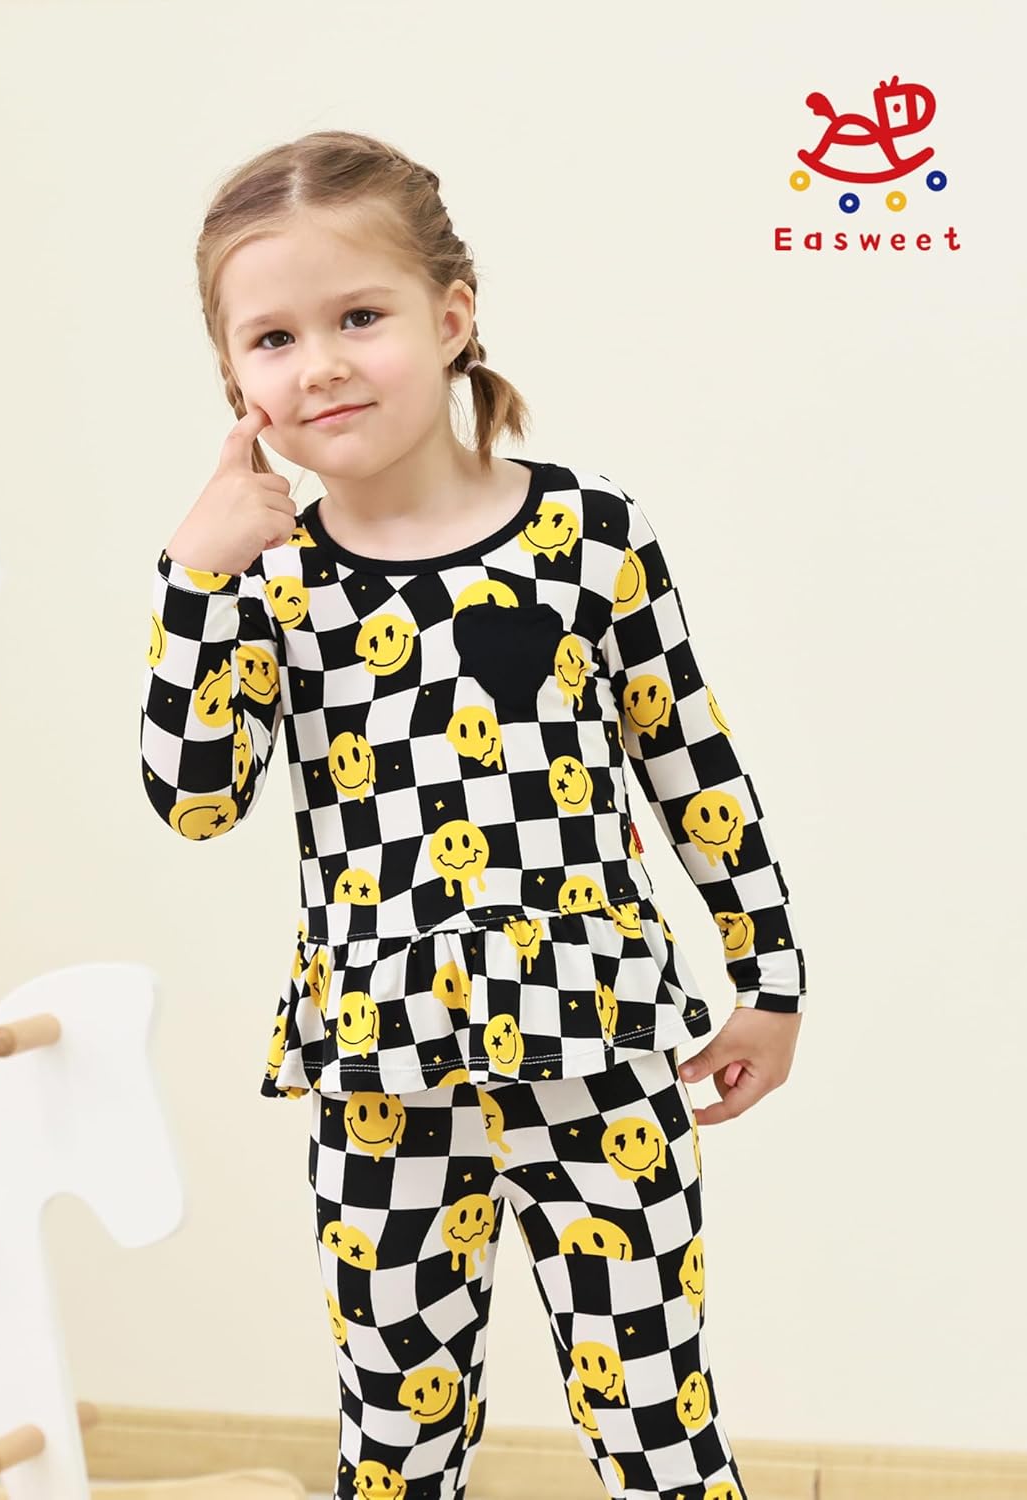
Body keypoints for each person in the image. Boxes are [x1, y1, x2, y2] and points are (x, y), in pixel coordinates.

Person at [139, 129, 806, 1500]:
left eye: (359, 317)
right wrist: (192, 581)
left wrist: (769, 977)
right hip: (378, 1070)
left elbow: (691, 764)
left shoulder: (592, 538)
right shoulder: (265, 583)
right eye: (273, 340)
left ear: (451, 319)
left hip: (596, 1046)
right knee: (394, 1443)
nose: (320, 365)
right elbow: (196, 802)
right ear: (236, 383)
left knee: (658, 1429)